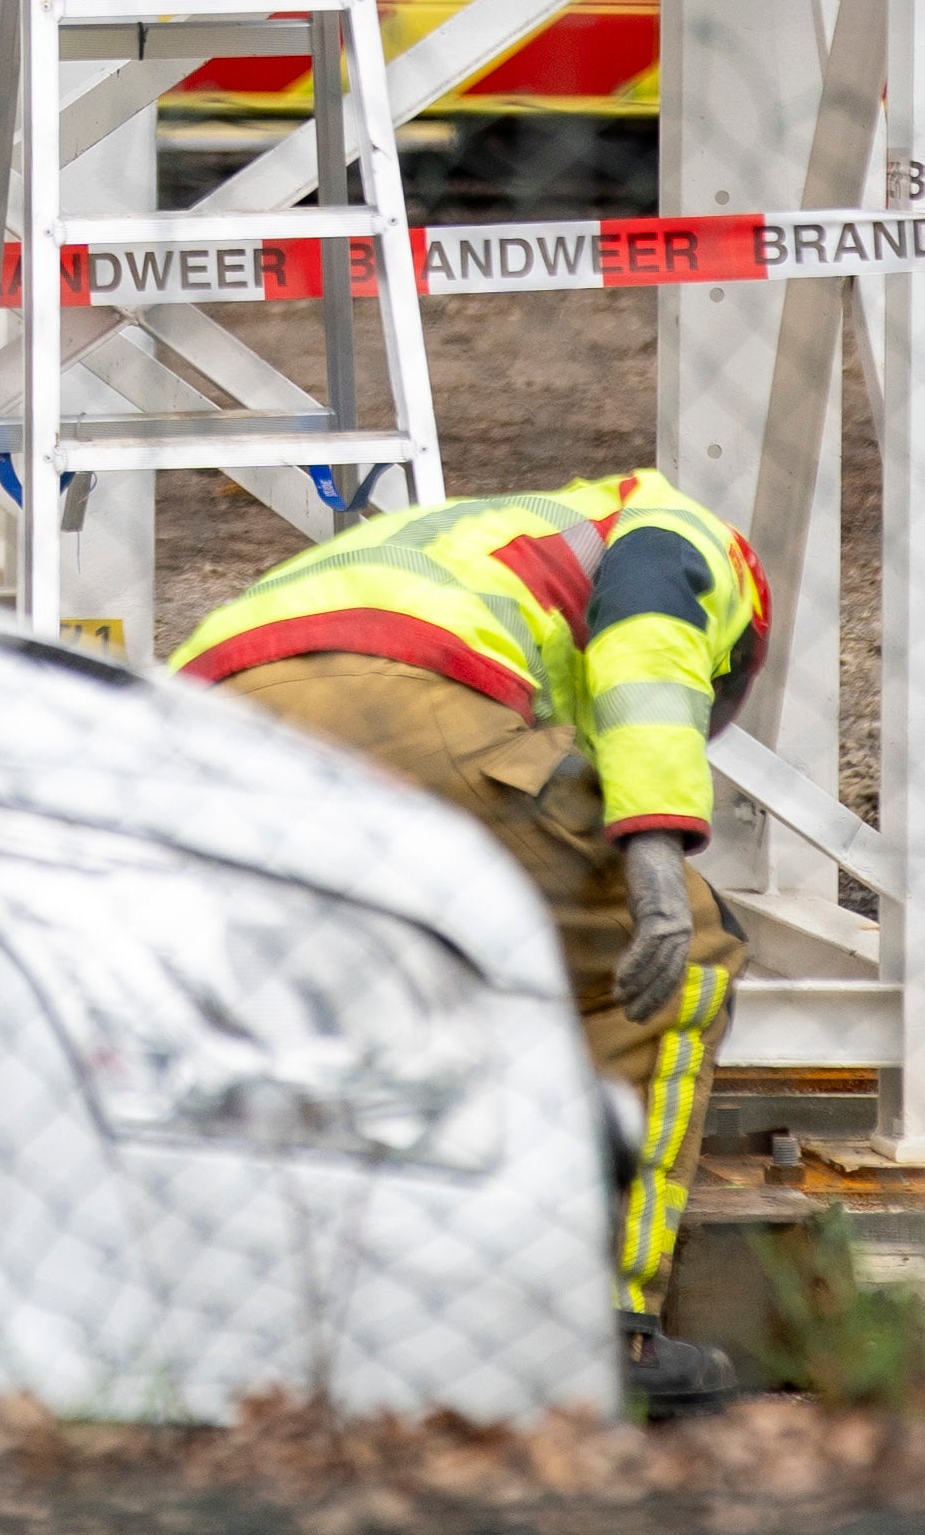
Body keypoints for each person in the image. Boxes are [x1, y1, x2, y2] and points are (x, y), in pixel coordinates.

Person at [179, 470, 772, 1412]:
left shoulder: (467, 537)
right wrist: (654, 842)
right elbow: (649, 636)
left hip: (206, 729)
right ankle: (594, 1324)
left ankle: (270, 1315)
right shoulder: (683, 529)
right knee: (684, 951)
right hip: (406, 697)